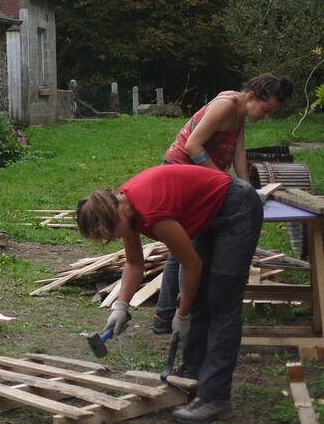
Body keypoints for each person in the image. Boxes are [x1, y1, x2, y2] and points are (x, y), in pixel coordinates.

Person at [77, 165, 262, 423]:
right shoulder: (125, 208)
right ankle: (191, 379)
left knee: (221, 302)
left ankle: (215, 398)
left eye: (111, 234)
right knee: (198, 299)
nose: (114, 239)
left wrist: (182, 314)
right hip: (208, 213)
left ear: (116, 216)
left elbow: (192, 264)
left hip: (236, 207)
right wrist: (121, 306)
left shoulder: (151, 213)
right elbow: (133, 263)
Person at [152, 73, 294, 333]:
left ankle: (164, 316)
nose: (266, 116)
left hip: (200, 177)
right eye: (265, 110)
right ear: (251, 96)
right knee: (185, 244)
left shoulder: (240, 113)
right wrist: (223, 182)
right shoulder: (226, 105)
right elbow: (194, 146)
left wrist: (247, 191)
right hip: (179, 173)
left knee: (180, 244)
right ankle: (171, 316)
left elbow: (238, 152)